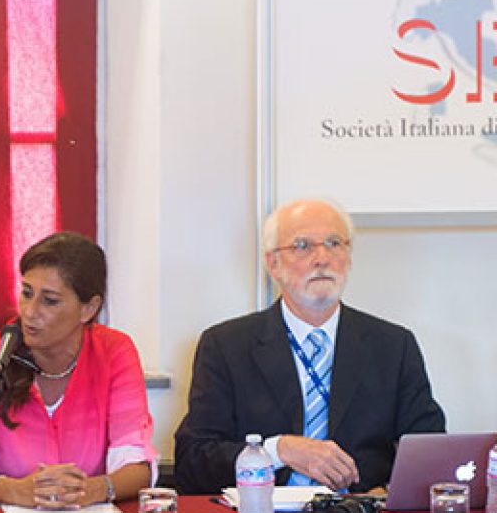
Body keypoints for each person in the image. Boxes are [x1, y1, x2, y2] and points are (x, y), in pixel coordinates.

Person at [174, 197, 445, 495]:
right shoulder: (226, 346)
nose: (322, 259)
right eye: (302, 246)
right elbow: (192, 463)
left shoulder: (393, 346)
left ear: (349, 257)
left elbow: (430, 454)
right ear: (273, 264)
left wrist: (387, 491)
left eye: (333, 243)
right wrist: (278, 451)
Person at [0, 232, 156, 509]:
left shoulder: (114, 351)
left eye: (49, 301)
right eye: (27, 294)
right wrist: (13, 490)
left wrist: (91, 490)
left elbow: (137, 465)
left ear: (89, 308)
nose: (30, 312)